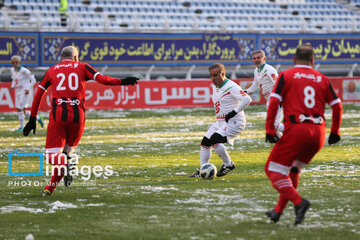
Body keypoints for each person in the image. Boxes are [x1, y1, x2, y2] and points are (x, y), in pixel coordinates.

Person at [23, 46, 139, 196]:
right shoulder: (83, 67)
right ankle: (49, 189)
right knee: (65, 154)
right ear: (76, 57)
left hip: (58, 117)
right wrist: (122, 81)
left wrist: (32, 118)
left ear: (61, 58)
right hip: (78, 118)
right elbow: (103, 80)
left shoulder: (52, 70)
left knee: (53, 156)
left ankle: (66, 164)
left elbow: (39, 94)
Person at [264, 44, 342, 225]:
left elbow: (274, 102)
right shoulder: (321, 78)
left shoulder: (286, 75)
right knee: (292, 170)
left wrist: (269, 130)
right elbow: (337, 106)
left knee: (273, 169)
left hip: (297, 129)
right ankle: (278, 211)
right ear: (313, 61)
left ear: (293, 60)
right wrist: (335, 131)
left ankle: (299, 202)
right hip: (318, 133)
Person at [189, 63, 252, 178]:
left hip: (235, 122)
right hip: (221, 122)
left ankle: (228, 164)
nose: (213, 79)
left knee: (215, 140)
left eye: (215, 75)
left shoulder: (231, 86)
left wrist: (234, 112)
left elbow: (247, 99)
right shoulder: (216, 85)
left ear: (223, 74)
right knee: (205, 142)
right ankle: (203, 170)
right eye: (211, 76)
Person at [245, 50, 284, 136]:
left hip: (276, 100)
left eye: (258, 58)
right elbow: (255, 85)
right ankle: (283, 144)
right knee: (274, 126)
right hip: (269, 101)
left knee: (273, 124)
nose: (256, 60)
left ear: (264, 58)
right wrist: (245, 92)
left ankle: (292, 131)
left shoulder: (269, 70)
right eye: (254, 58)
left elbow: (279, 83)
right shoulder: (256, 70)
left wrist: (281, 98)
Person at [10, 55, 43, 132]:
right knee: (23, 111)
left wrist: (28, 88)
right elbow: (14, 79)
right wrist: (12, 86)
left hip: (25, 92)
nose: (15, 64)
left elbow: (33, 80)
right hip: (18, 92)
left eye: (17, 62)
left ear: (19, 63)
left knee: (19, 109)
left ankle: (22, 127)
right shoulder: (12, 70)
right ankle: (38, 118)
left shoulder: (24, 70)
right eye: (13, 63)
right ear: (11, 63)